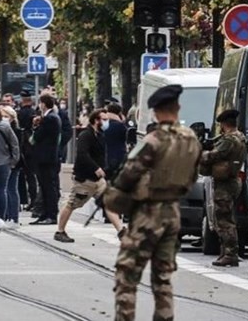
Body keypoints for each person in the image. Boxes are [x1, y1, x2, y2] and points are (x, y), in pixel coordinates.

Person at [109, 84, 201, 321]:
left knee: (127, 272)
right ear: (177, 108)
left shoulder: (153, 140)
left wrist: (114, 198)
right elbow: (192, 175)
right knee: (163, 277)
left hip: (149, 212)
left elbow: (128, 174)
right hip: (173, 212)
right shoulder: (191, 139)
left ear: (155, 112)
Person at [54, 109, 125, 243]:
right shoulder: (86, 135)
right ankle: (60, 231)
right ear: (95, 120)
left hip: (99, 181)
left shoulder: (100, 135)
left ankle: (121, 231)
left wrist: (105, 169)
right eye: (103, 119)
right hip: (85, 179)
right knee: (72, 204)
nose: (106, 122)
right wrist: (96, 168)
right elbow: (82, 154)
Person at [199, 109, 247, 267]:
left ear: (224, 124)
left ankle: (230, 253)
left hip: (226, 183)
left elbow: (214, 155)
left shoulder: (229, 140)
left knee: (224, 220)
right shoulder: (239, 137)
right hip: (231, 181)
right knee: (226, 218)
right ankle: (226, 251)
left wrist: (203, 153)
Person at [29, 94, 61, 225]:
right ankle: (45, 214)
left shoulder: (50, 118)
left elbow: (38, 136)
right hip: (47, 157)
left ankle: (51, 214)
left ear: (43, 104)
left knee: (48, 187)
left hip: (46, 157)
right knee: (45, 186)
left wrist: (36, 127)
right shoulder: (52, 117)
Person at [2, 106, 23, 227]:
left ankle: (13, 217)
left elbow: (16, 147)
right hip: (5, 162)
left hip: (13, 163)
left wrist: (13, 162)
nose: (4, 119)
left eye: (6, 116)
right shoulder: (3, 129)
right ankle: (7, 215)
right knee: (6, 189)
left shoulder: (16, 131)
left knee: (11, 189)